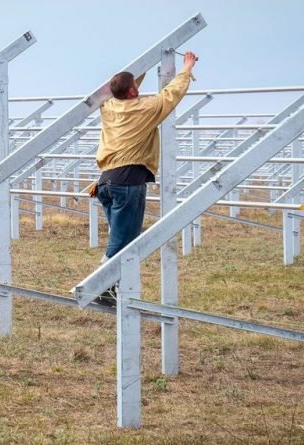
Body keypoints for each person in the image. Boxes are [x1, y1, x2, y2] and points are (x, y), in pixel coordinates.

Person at [92, 51, 198, 307]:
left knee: (120, 237)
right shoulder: (145, 108)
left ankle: (108, 286)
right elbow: (171, 95)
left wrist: (144, 66)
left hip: (106, 181)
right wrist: (187, 68)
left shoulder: (109, 106)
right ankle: (100, 286)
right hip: (128, 180)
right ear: (132, 91)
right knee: (124, 241)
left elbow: (125, 87)